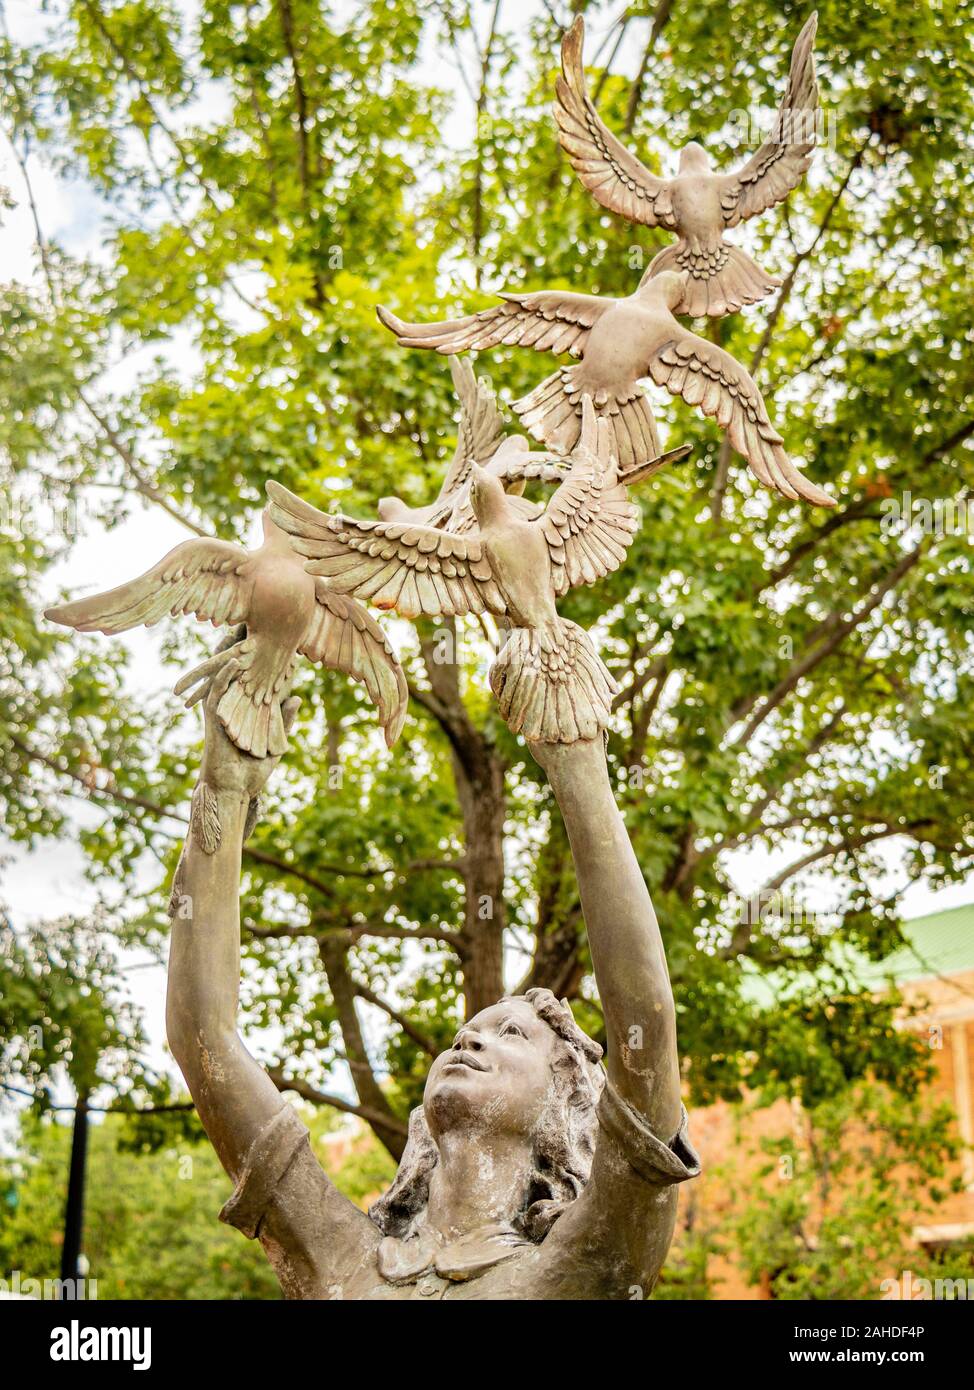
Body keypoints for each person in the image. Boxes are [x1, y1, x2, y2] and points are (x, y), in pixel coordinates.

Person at [166, 662, 699, 1300]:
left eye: (511, 1034)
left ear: (565, 1106)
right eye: (465, 1032)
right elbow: (205, 1040)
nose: (468, 1041)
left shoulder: (585, 1263)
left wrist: (577, 758)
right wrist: (224, 789)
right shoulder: (338, 1254)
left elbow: (646, 1020)